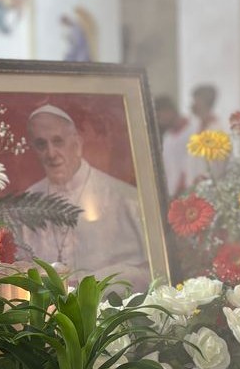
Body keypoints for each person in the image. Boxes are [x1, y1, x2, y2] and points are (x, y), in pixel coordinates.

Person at [15, 105, 150, 290]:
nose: (51, 153)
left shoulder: (126, 199)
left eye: (58, 141)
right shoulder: (25, 206)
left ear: (77, 144)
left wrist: (85, 285)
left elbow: (150, 273)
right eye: (41, 144)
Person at [154, 94, 194, 197]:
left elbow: (190, 166)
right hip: (171, 194)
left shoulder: (193, 130)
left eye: (159, 116)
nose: (158, 120)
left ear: (169, 111)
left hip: (188, 191)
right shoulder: (167, 137)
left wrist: (180, 191)